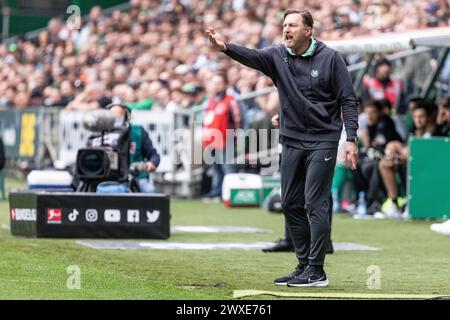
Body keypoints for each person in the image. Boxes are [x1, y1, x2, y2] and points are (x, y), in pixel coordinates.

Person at [206, 9, 359, 287]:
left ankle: (317, 269)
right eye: (284, 25)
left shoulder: (331, 59)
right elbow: (251, 56)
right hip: (290, 138)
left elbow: (348, 100)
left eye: (293, 25)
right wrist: (225, 47)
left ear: (308, 31)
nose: (286, 29)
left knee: (315, 203)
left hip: (323, 139)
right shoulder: (278, 55)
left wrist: (351, 138)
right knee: (289, 202)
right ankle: (302, 266)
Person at [353, 100, 402, 218]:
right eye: (367, 113)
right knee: (356, 164)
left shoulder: (385, 123)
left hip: (394, 158)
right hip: (377, 157)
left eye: (373, 112)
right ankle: (360, 200)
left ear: (379, 113)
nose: (369, 116)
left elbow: (383, 146)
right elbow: (370, 148)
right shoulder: (370, 126)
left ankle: (372, 202)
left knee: (375, 166)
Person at [202, 73, 241, 199]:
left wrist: (235, 137)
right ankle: (217, 191)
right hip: (213, 140)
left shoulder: (230, 100)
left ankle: (232, 193)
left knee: (227, 167)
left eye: (219, 83)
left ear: (225, 84)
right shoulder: (212, 102)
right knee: (217, 168)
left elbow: (238, 119)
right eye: (214, 83)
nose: (216, 86)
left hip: (226, 139)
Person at [108, 104, 160, 193]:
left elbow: (153, 154)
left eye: (119, 117)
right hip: (108, 176)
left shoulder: (138, 131)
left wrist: (151, 163)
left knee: (149, 191)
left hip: (136, 175)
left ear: (126, 117)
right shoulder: (101, 133)